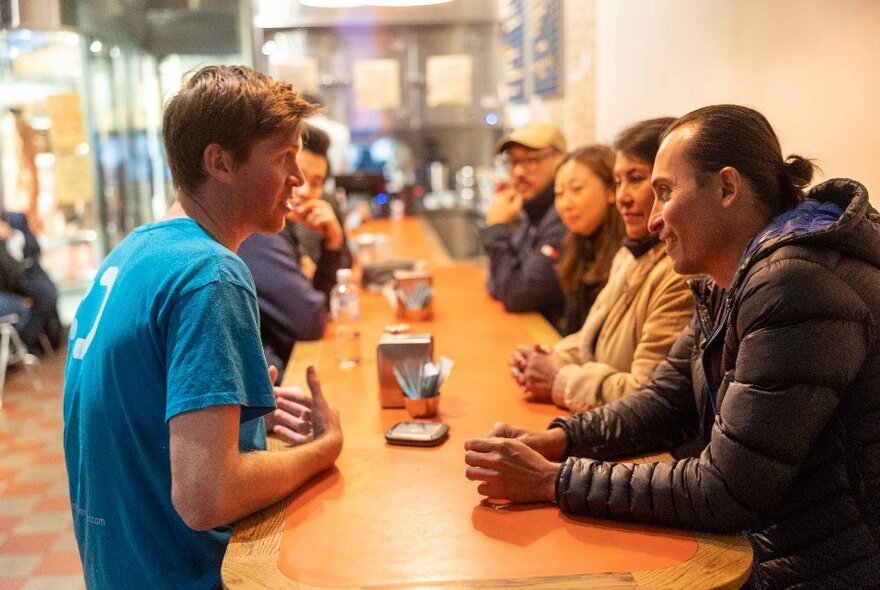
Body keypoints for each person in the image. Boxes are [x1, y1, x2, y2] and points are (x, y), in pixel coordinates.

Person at [465, 104, 880, 588]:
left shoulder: (794, 283)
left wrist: (551, 481)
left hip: (825, 565)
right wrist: (559, 440)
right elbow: (666, 400)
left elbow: (725, 489)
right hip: (778, 545)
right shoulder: (731, 277)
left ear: (727, 188)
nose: (653, 216)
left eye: (663, 191)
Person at [63, 65, 344, 589]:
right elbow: (205, 497)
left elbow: (145, 409)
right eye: (283, 158)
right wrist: (320, 452)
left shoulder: (131, 253)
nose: (299, 179)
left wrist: (238, 412)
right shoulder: (211, 273)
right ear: (220, 163)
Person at [511, 119, 694, 412]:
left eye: (636, 179)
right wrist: (545, 357)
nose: (623, 196)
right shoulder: (630, 254)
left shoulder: (680, 271)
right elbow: (591, 341)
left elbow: (647, 396)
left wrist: (557, 376)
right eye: (619, 181)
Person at [238, 124, 351, 380]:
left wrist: (334, 243)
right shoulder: (259, 233)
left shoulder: (285, 227)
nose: (304, 190)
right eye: (296, 174)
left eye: (316, 182)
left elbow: (319, 305)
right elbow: (309, 321)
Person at [481, 121, 568, 331]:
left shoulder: (564, 216)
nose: (518, 171)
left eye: (531, 159)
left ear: (562, 160)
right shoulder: (534, 210)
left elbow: (516, 294)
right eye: (512, 161)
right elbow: (496, 282)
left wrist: (497, 226)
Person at [549, 145, 625, 336]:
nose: (566, 204)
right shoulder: (576, 245)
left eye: (576, 189)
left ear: (611, 191)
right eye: (559, 193)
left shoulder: (626, 255)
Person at [0, 209, 60, 353]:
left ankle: (27, 344)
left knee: (48, 294)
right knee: (37, 300)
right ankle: (21, 346)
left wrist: (13, 236)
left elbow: (34, 248)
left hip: (28, 272)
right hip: (10, 283)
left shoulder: (17, 219)